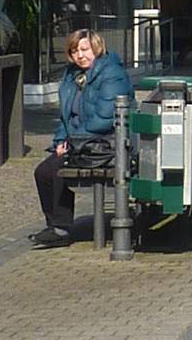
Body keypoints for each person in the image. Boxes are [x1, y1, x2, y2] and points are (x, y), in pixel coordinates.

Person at [33, 29, 132, 248]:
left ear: (96, 48)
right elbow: (66, 116)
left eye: (84, 49)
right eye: (75, 51)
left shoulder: (111, 73)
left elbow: (105, 118)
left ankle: (61, 229)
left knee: (59, 169)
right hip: (80, 142)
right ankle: (54, 225)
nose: (80, 55)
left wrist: (73, 141)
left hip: (106, 143)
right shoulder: (72, 75)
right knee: (43, 172)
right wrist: (60, 141)